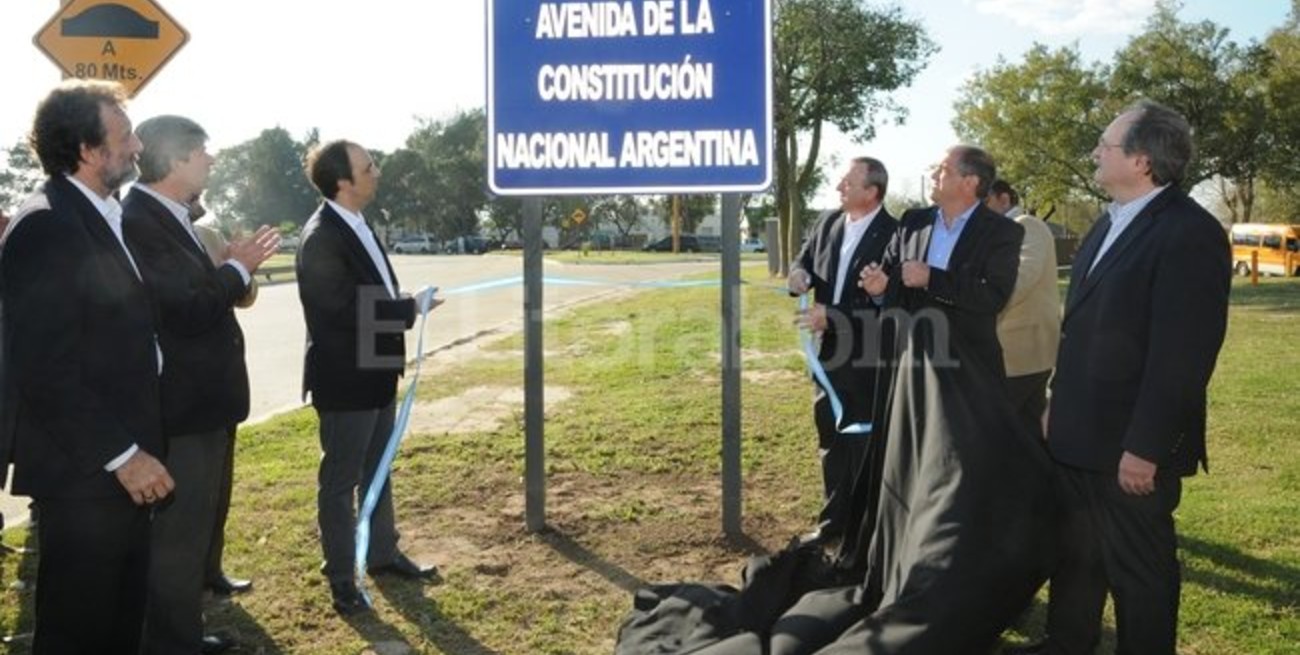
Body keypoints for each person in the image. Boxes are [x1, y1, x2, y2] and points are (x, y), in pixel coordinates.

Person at [1018, 101, 1231, 655]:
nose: (1094, 153)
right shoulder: (1107, 222)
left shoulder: (1191, 233)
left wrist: (1146, 448)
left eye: (1104, 146)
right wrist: (1056, 403)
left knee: (1141, 573)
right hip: (1078, 434)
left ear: (1140, 160)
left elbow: (1182, 355)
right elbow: (1084, 330)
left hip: (1130, 451)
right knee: (1077, 558)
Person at [0, 80, 174, 654]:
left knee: (119, 625)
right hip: (88, 476)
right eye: (124, 136)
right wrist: (125, 458)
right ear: (87, 149)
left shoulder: (103, 214)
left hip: (118, 468)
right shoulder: (46, 224)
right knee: (78, 633)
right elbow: (45, 370)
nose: (136, 148)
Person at [121, 115, 278, 654]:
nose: (211, 160)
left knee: (189, 537)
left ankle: (181, 634)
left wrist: (231, 267)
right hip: (181, 411)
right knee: (176, 541)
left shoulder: (171, 216)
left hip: (202, 407)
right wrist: (238, 269)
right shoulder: (140, 219)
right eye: (202, 152)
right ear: (174, 159)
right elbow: (184, 310)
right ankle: (170, 644)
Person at [297, 139, 439, 615]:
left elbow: (367, 293)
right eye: (368, 166)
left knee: (379, 470)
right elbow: (339, 309)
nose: (377, 171)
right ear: (343, 182)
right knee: (340, 483)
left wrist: (402, 303)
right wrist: (407, 308)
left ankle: (381, 553)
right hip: (346, 381)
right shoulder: (322, 235)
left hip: (377, 372)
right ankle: (342, 579)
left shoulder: (356, 224)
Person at [787, 157, 897, 546]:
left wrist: (832, 316)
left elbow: (891, 303)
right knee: (830, 439)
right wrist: (798, 274)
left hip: (868, 357)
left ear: (872, 192)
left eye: (848, 182)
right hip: (825, 355)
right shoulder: (829, 222)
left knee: (865, 444)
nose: (838, 187)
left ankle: (867, 528)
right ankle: (833, 523)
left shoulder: (894, 235)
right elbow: (805, 258)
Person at [189, 198, 259, 599]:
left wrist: (240, 269)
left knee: (219, 489)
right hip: (186, 389)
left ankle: (211, 568)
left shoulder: (209, 236)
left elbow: (245, 297)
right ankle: (185, 581)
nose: (200, 201)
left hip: (223, 384)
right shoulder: (145, 229)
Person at [987, 179, 1061, 440]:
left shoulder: (1027, 226)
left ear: (1004, 199)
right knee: (1025, 436)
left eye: (985, 201)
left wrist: (976, 303)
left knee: (999, 433)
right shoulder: (994, 232)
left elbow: (1020, 280)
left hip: (1022, 350)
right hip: (1012, 353)